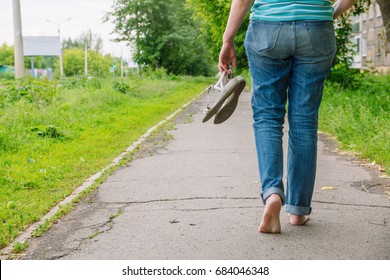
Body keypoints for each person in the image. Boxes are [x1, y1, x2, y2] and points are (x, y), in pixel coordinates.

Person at [218, 0, 357, 233]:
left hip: (267, 28)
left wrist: (227, 39)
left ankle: (272, 193)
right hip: (317, 27)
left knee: (267, 117)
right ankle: (298, 210)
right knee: (304, 120)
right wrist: (333, 11)